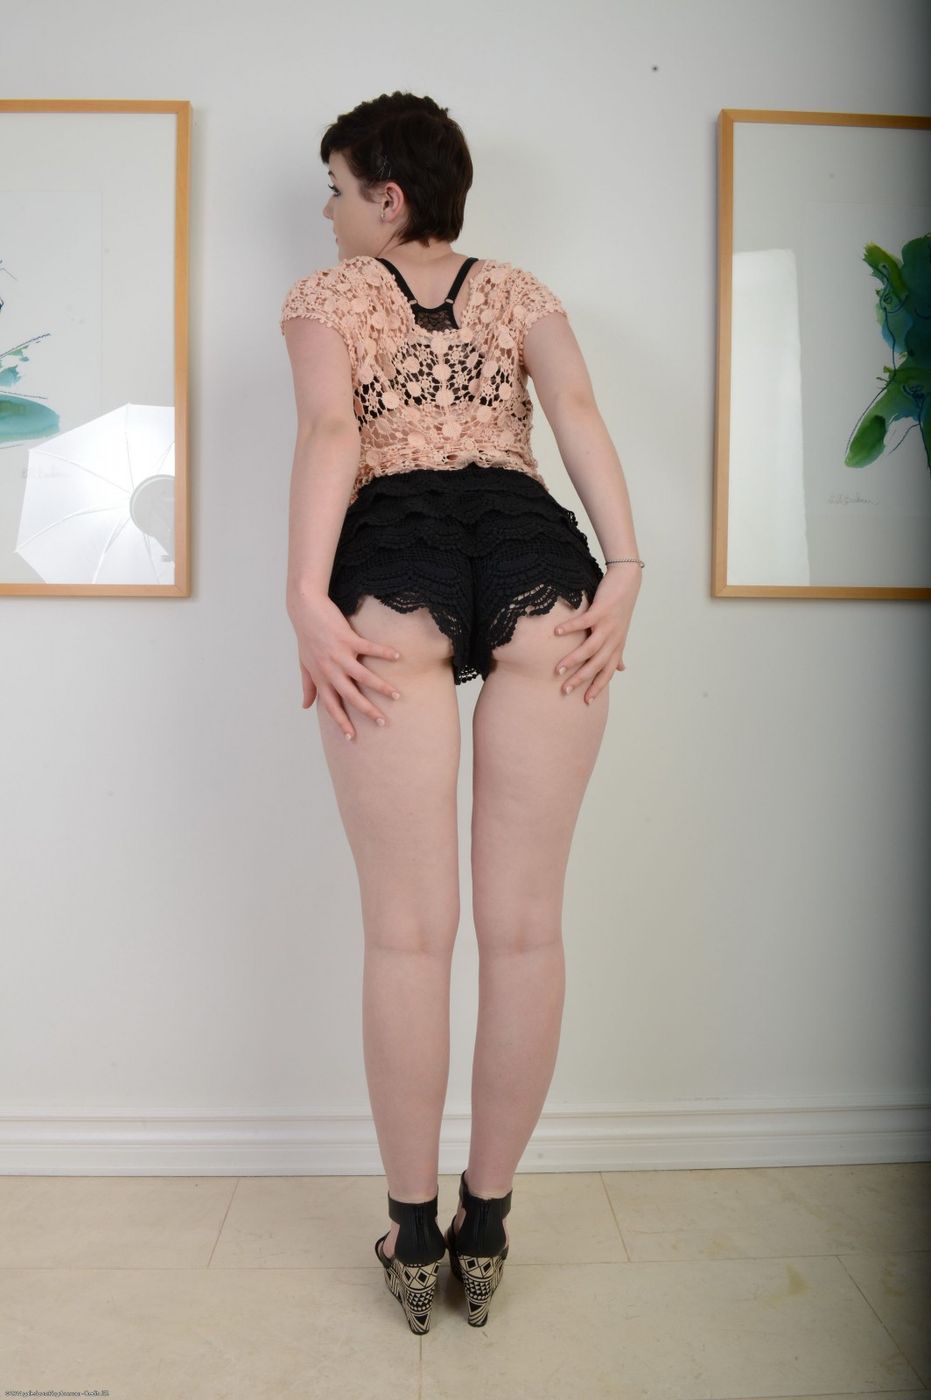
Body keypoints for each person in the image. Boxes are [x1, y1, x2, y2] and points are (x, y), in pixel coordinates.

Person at [280, 92, 642, 1332]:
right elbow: (577, 418)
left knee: (407, 934)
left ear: (386, 197)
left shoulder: (326, 297)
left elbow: (331, 428)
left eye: (336, 188)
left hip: (396, 560)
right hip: (539, 556)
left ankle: (412, 1226)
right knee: (526, 931)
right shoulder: (521, 291)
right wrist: (626, 566)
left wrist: (305, 593)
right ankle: (486, 1225)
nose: (327, 211)